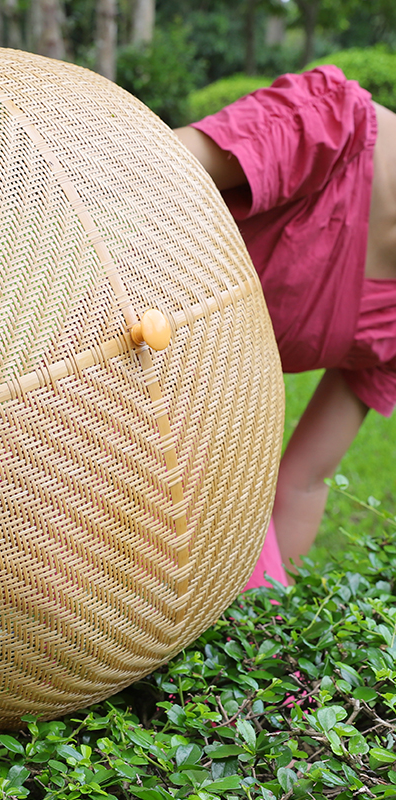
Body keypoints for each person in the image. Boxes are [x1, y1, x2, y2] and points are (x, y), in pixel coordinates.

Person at [172, 65, 396, 588]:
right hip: (84, 351)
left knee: (251, 607)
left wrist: (271, 625)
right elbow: (139, 177)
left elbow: (302, 483)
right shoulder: (330, 121)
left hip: (210, 443)